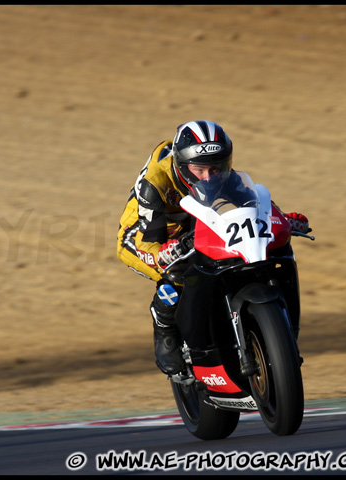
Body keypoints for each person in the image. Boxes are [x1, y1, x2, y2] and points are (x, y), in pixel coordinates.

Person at [116, 120, 311, 376]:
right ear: (182, 166)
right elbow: (149, 237)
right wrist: (164, 253)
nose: (209, 177)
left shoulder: (220, 175)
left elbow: (251, 202)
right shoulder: (155, 184)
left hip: (197, 219)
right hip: (146, 232)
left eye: (216, 168)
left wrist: (281, 219)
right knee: (176, 273)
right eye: (200, 170)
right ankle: (164, 328)